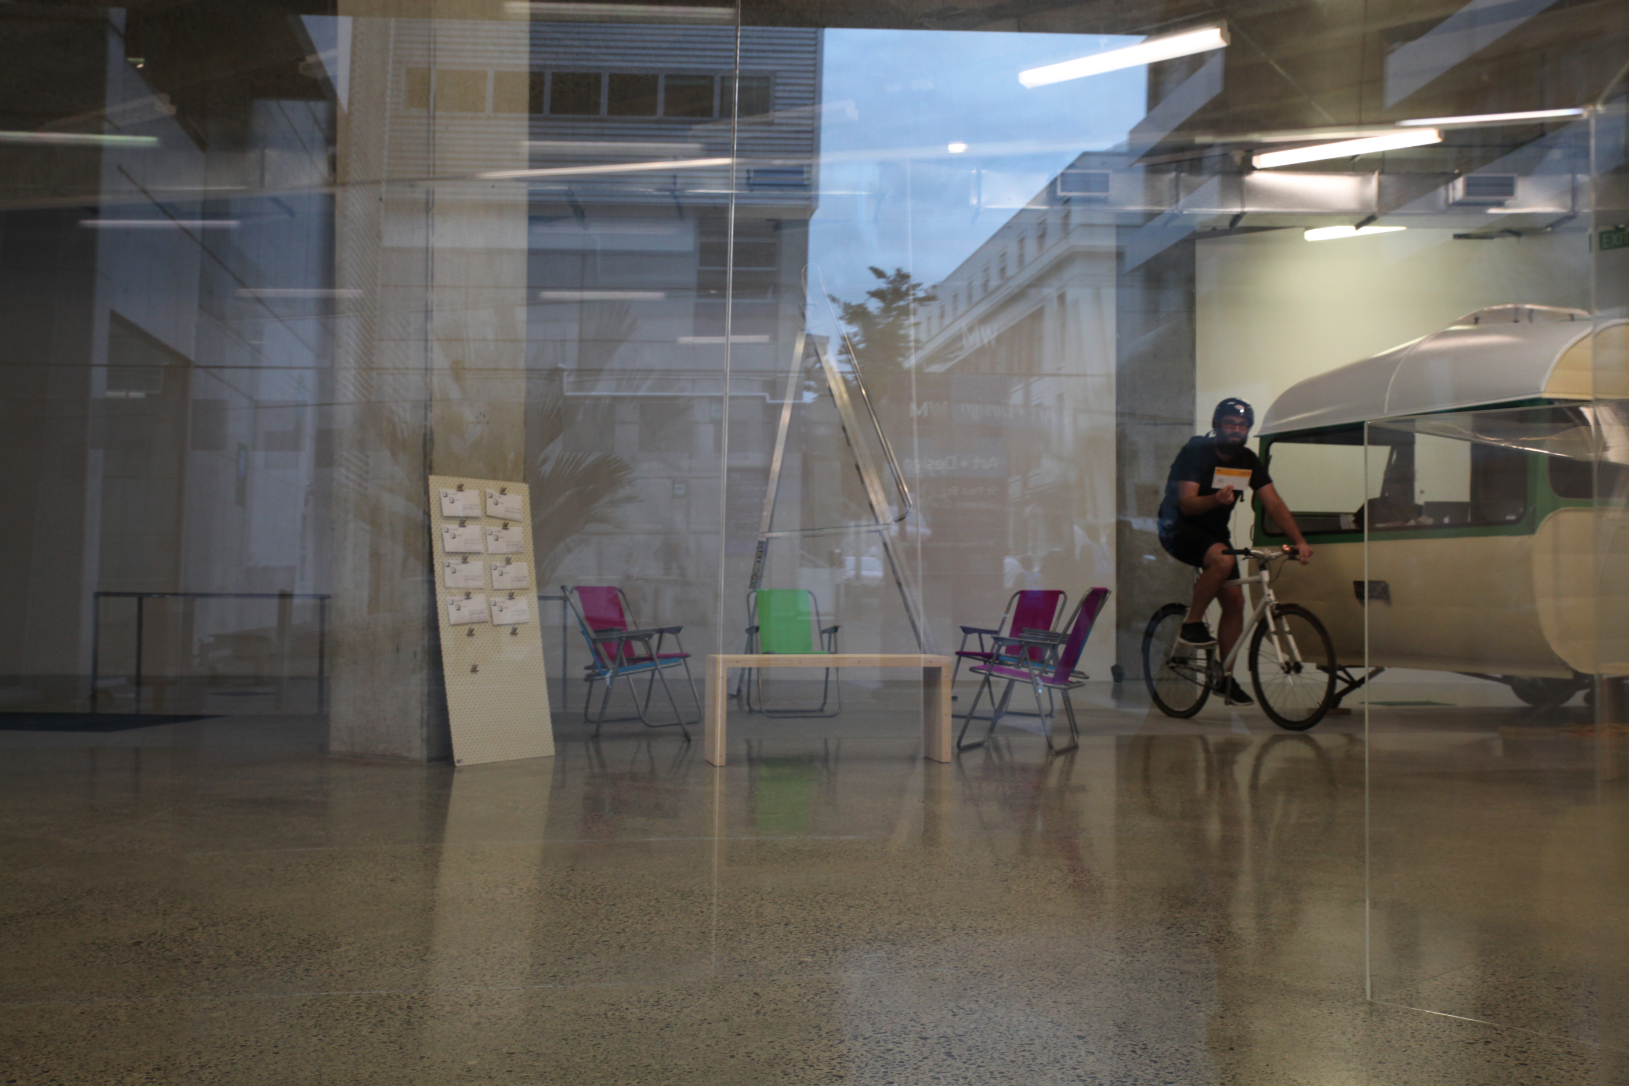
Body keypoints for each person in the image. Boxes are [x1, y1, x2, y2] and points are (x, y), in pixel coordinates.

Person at [1156, 398, 1312, 705]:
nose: (1236, 430)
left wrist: (1299, 541)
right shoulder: (1196, 451)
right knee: (1222, 559)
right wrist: (1215, 499)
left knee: (1235, 601)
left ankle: (1224, 678)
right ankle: (1192, 624)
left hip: (1214, 532)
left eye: (1242, 426)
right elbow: (1187, 504)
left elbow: (1273, 502)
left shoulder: (1246, 460)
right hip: (1178, 526)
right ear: (1217, 425)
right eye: (1230, 424)